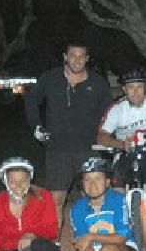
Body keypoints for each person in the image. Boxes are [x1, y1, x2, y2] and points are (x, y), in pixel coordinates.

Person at [25, 43, 113, 230]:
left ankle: (93, 241)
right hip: (58, 150)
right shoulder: (50, 78)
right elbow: (31, 99)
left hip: (89, 149)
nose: (77, 60)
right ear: (65, 56)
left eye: (82, 56)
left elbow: (109, 112)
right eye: (73, 55)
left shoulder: (98, 83)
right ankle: (54, 248)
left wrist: (107, 137)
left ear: (87, 59)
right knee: (56, 200)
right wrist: (37, 126)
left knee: (93, 198)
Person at [68, 157, 137, 251]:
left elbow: (121, 237)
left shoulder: (118, 200)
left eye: (98, 178)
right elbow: (84, 245)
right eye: (87, 179)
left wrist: (92, 236)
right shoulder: (77, 208)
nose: (92, 184)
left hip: (122, 249)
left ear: (107, 182)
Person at [96, 68, 146, 192]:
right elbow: (101, 136)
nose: (135, 92)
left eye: (139, 87)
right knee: (118, 186)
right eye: (131, 87)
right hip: (124, 152)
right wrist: (121, 144)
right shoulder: (116, 109)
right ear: (124, 89)